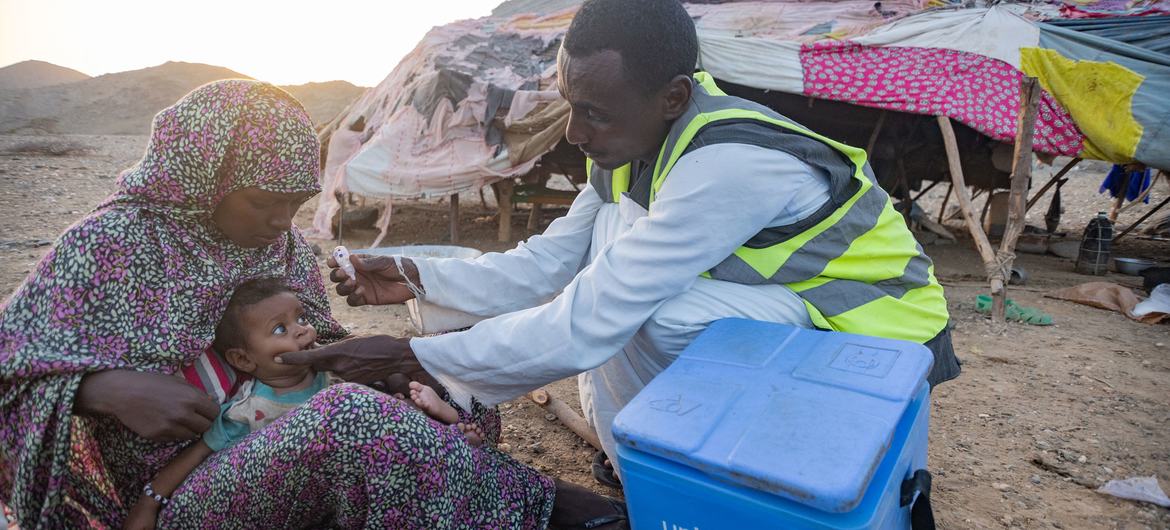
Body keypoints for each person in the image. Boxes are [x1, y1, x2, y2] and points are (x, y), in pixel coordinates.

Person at [287, 0, 961, 489]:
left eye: (595, 112)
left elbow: (595, 312)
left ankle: (685, 465)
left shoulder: (731, 161)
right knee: (611, 263)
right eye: (569, 104)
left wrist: (422, 357)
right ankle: (641, 468)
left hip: (877, 340)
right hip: (790, 319)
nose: (575, 132)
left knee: (649, 312)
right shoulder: (627, 147)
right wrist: (418, 273)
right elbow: (552, 262)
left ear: (672, 96)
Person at [0, 79, 621, 529]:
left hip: (275, 431)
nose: (281, 223)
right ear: (204, 179)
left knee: (456, 407)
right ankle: (548, 512)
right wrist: (102, 389)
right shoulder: (109, 246)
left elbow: (314, 346)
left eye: (296, 203)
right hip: (171, 487)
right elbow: (10, 362)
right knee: (350, 425)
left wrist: (393, 374)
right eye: (263, 202)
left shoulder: (283, 248)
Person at [121, 278, 486, 529]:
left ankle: (453, 431)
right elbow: (198, 453)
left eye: (301, 318)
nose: (301, 330)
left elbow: (387, 423)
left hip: (344, 489)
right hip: (277, 504)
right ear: (244, 360)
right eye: (280, 329)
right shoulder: (249, 410)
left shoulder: (336, 379)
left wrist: (420, 407)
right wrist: (149, 502)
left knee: (452, 368)